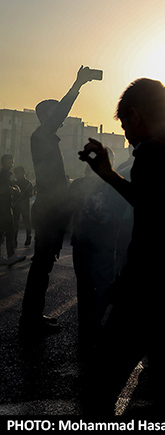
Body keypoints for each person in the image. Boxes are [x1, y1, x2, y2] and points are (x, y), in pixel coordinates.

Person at [78, 78, 165, 414]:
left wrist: (124, 284)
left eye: (125, 125)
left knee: (100, 389)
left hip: (149, 291)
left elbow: (153, 220)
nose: (126, 135)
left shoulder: (152, 151)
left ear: (136, 115)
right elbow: (155, 203)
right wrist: (110, 174)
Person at [21, 65, 100, 336]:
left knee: (43, 266)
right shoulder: (42, 135)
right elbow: (61, 112)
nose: (62, 119)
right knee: (41, 266)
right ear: (47, 116)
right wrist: (77, 85)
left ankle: (33, 316)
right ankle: (30, 321)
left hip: (50, 209)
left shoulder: (46, 140)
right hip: (48, 210)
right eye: (56, 114)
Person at [68, 152, 126, 343]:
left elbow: (67, 211)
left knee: (84, 286)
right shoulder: (113, 186)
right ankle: (94, 322)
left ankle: (85, 326)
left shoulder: (77, 184)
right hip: (105, 243)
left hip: (81, 241)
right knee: (104, 284)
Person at [0, 154, 24, 266]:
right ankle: (11, 255)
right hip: (4, 206)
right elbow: (5, 190)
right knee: (10, 230)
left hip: (5, 206)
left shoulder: (6, 175)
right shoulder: (3, 175)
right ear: (3, 163)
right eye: (9, 162)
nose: (11, 164)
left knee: (3, 231)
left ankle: (9, 255)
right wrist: (14, 190)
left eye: (12, 162)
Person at [13, 166, 34, 248]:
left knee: (17, 222)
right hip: (23, 204)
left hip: (18, 205)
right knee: (25, 222)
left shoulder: (15, 183)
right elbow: (31, 194)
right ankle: (27, 236)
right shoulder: (28, 183)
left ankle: (15, 239)